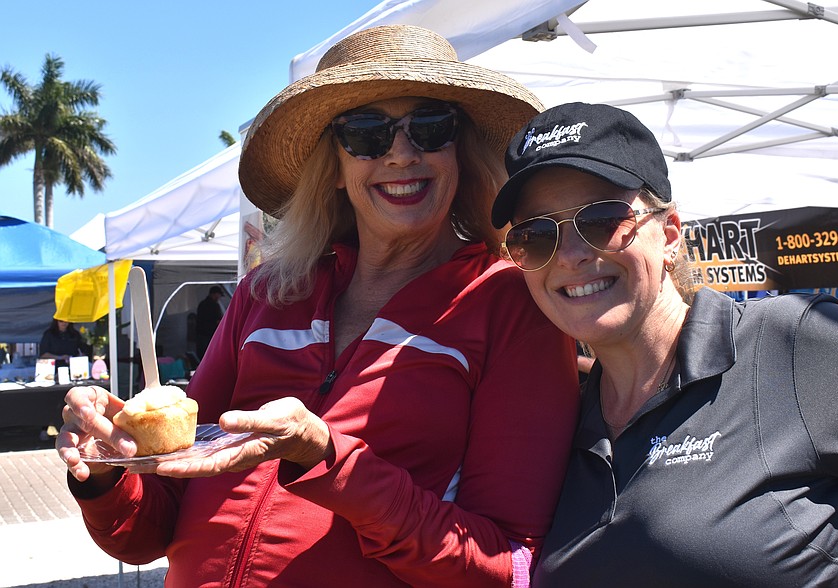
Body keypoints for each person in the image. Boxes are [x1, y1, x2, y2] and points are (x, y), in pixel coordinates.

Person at [56, 25, 581, 587]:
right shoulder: (266, 294)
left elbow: (506, 566)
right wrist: (107, 471)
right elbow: (150, 527)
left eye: (431, 127)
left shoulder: (510, 304)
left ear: (464, 150)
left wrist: (326, 459)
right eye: (366, 134)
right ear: (332, 165)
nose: (402, 153)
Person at [491, 101, 838, 587]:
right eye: (536, 236)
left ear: (670, 234)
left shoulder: (791, 344)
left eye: (602, 221)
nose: (571, 256)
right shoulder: (562, 422)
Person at [194, 285, 225, 358]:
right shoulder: (214, 305)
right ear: (214, 294)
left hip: (200, 335)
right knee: (210, 356)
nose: (219, 297)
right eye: (219, 295)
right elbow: (218, 321)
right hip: (210, 336)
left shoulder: (202, 304)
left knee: (201, 357)